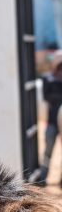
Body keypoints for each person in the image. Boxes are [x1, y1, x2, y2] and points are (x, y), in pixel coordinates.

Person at [37, 51, 62, 186]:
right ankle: (43, 178)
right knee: (48, 152)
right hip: (52, 122)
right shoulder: (48, 79)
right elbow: (48, 97)